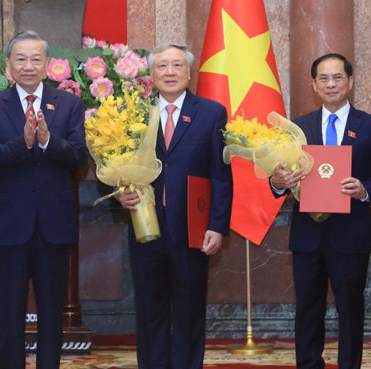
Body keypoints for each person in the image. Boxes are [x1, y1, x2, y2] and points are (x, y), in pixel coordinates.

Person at [270, 53, 371, 369]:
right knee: (307, 309)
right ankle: (309, 364)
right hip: (307, 236)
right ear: (313, 84)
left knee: (350, 310)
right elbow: (279, 180)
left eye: (337, 77)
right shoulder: (297, 128)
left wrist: (365, 189)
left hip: (350, 236)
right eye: (323, 78)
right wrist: (277, 181)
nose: (331, 84)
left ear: (350, 81)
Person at [0, 30, 89, 369]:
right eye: (20, 59)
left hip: (54, 224)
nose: (28, 66)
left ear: (48, 64)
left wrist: (48, 140)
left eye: (36, 59)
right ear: (8, 65)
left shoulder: (68, 104)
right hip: (11, 224)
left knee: (52, 309)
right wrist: (22, 144)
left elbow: (79, 157)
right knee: (10, 309)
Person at [114, 42, 233, 369]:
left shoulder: (211, 113)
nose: (170, 72)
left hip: (192, 229)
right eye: (162, 66)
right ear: (151, 74)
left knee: (189, 308)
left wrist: (217, 226)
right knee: (149, 308)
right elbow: (116, 164)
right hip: (145, 227)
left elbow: (221, 176)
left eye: (177, 65)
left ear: (189, 72)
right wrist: (118, 194)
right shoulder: (133, 112)